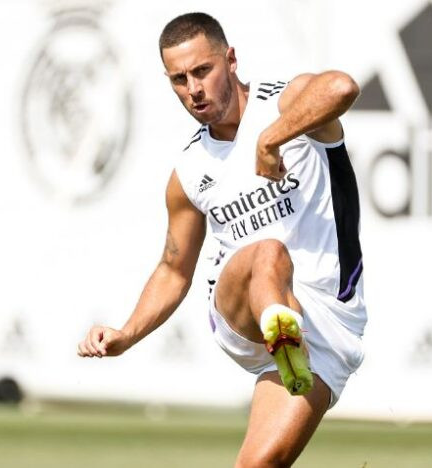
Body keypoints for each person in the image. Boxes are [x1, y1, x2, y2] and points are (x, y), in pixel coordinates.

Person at [77, 12, 367, 467]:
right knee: (268, 253)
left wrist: (271, 139)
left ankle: (288, 340)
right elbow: (174, 269)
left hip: (329, 322)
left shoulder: (288, 105)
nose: (192, 88)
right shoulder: (189, 172)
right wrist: (126, 334)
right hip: (241, 312)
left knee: (258, 464)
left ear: (230, 60)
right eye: (178, 79)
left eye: (201, 71)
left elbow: (342, 87)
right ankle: (280, 329)